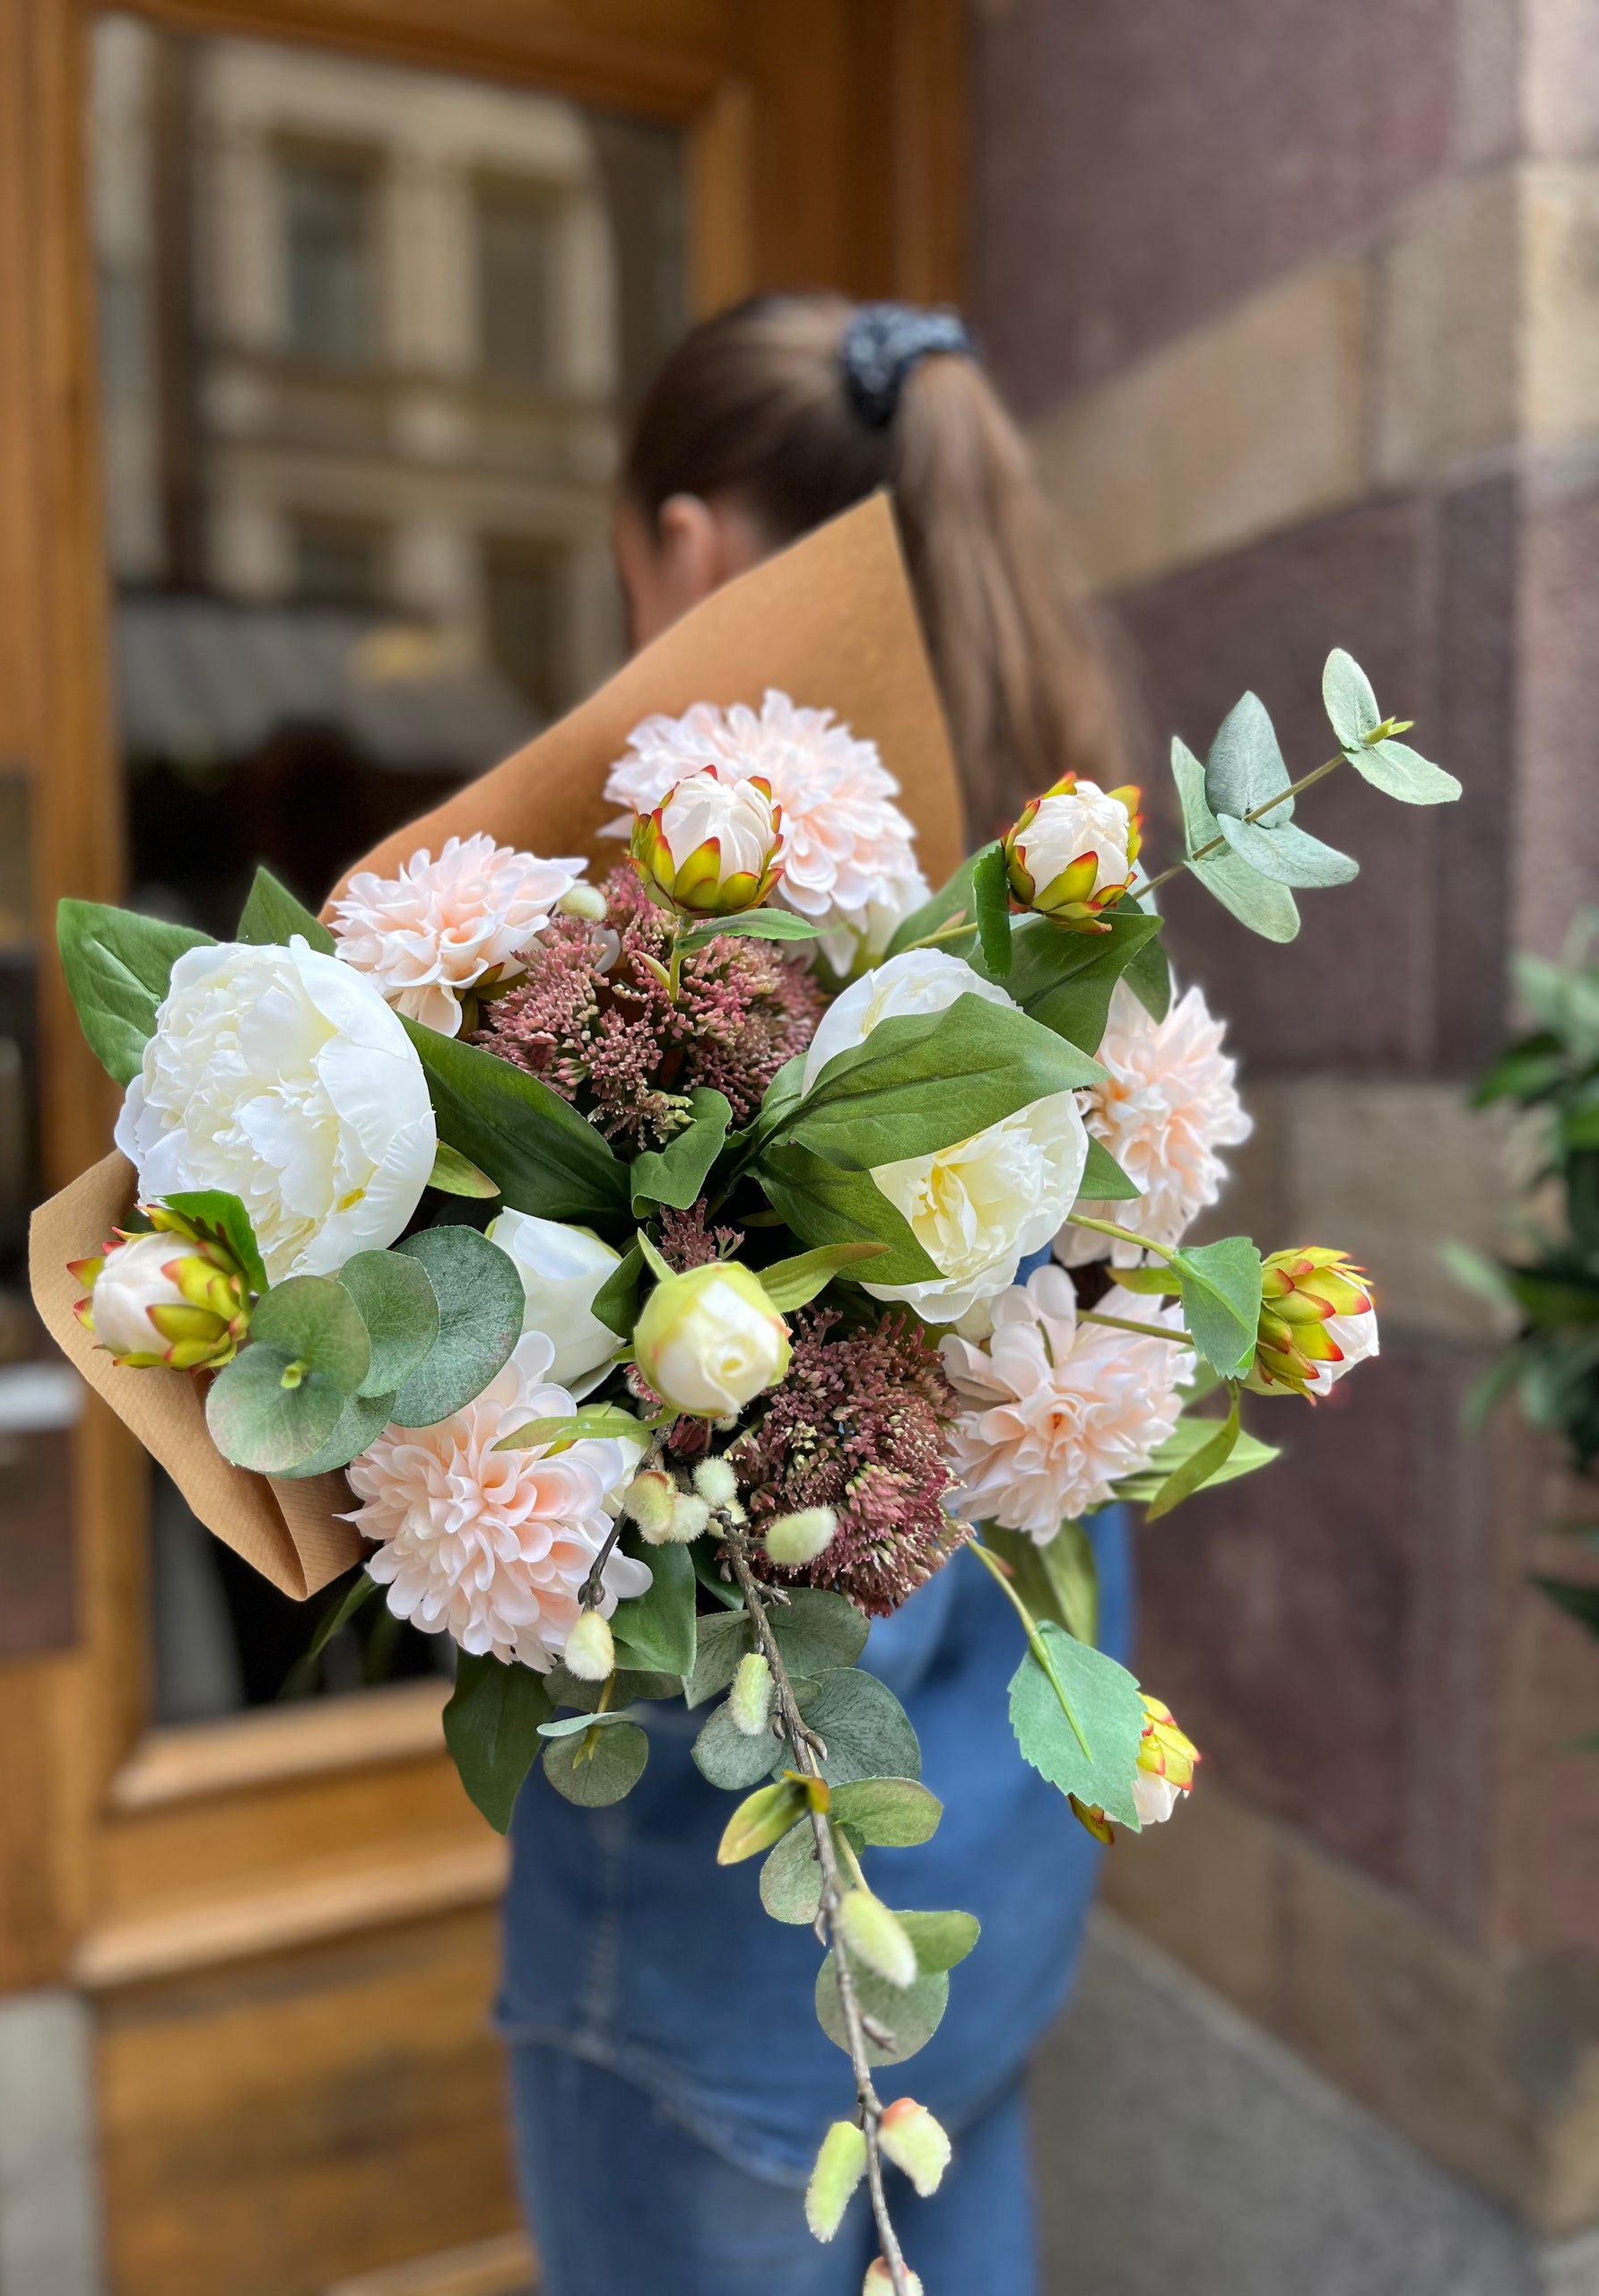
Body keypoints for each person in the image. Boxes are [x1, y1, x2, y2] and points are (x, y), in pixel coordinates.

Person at [497, 294, 1133, 2296]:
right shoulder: (1065, 919)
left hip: (722, 1973)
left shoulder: (687, 966)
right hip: (980, 1906)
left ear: (687, 549)